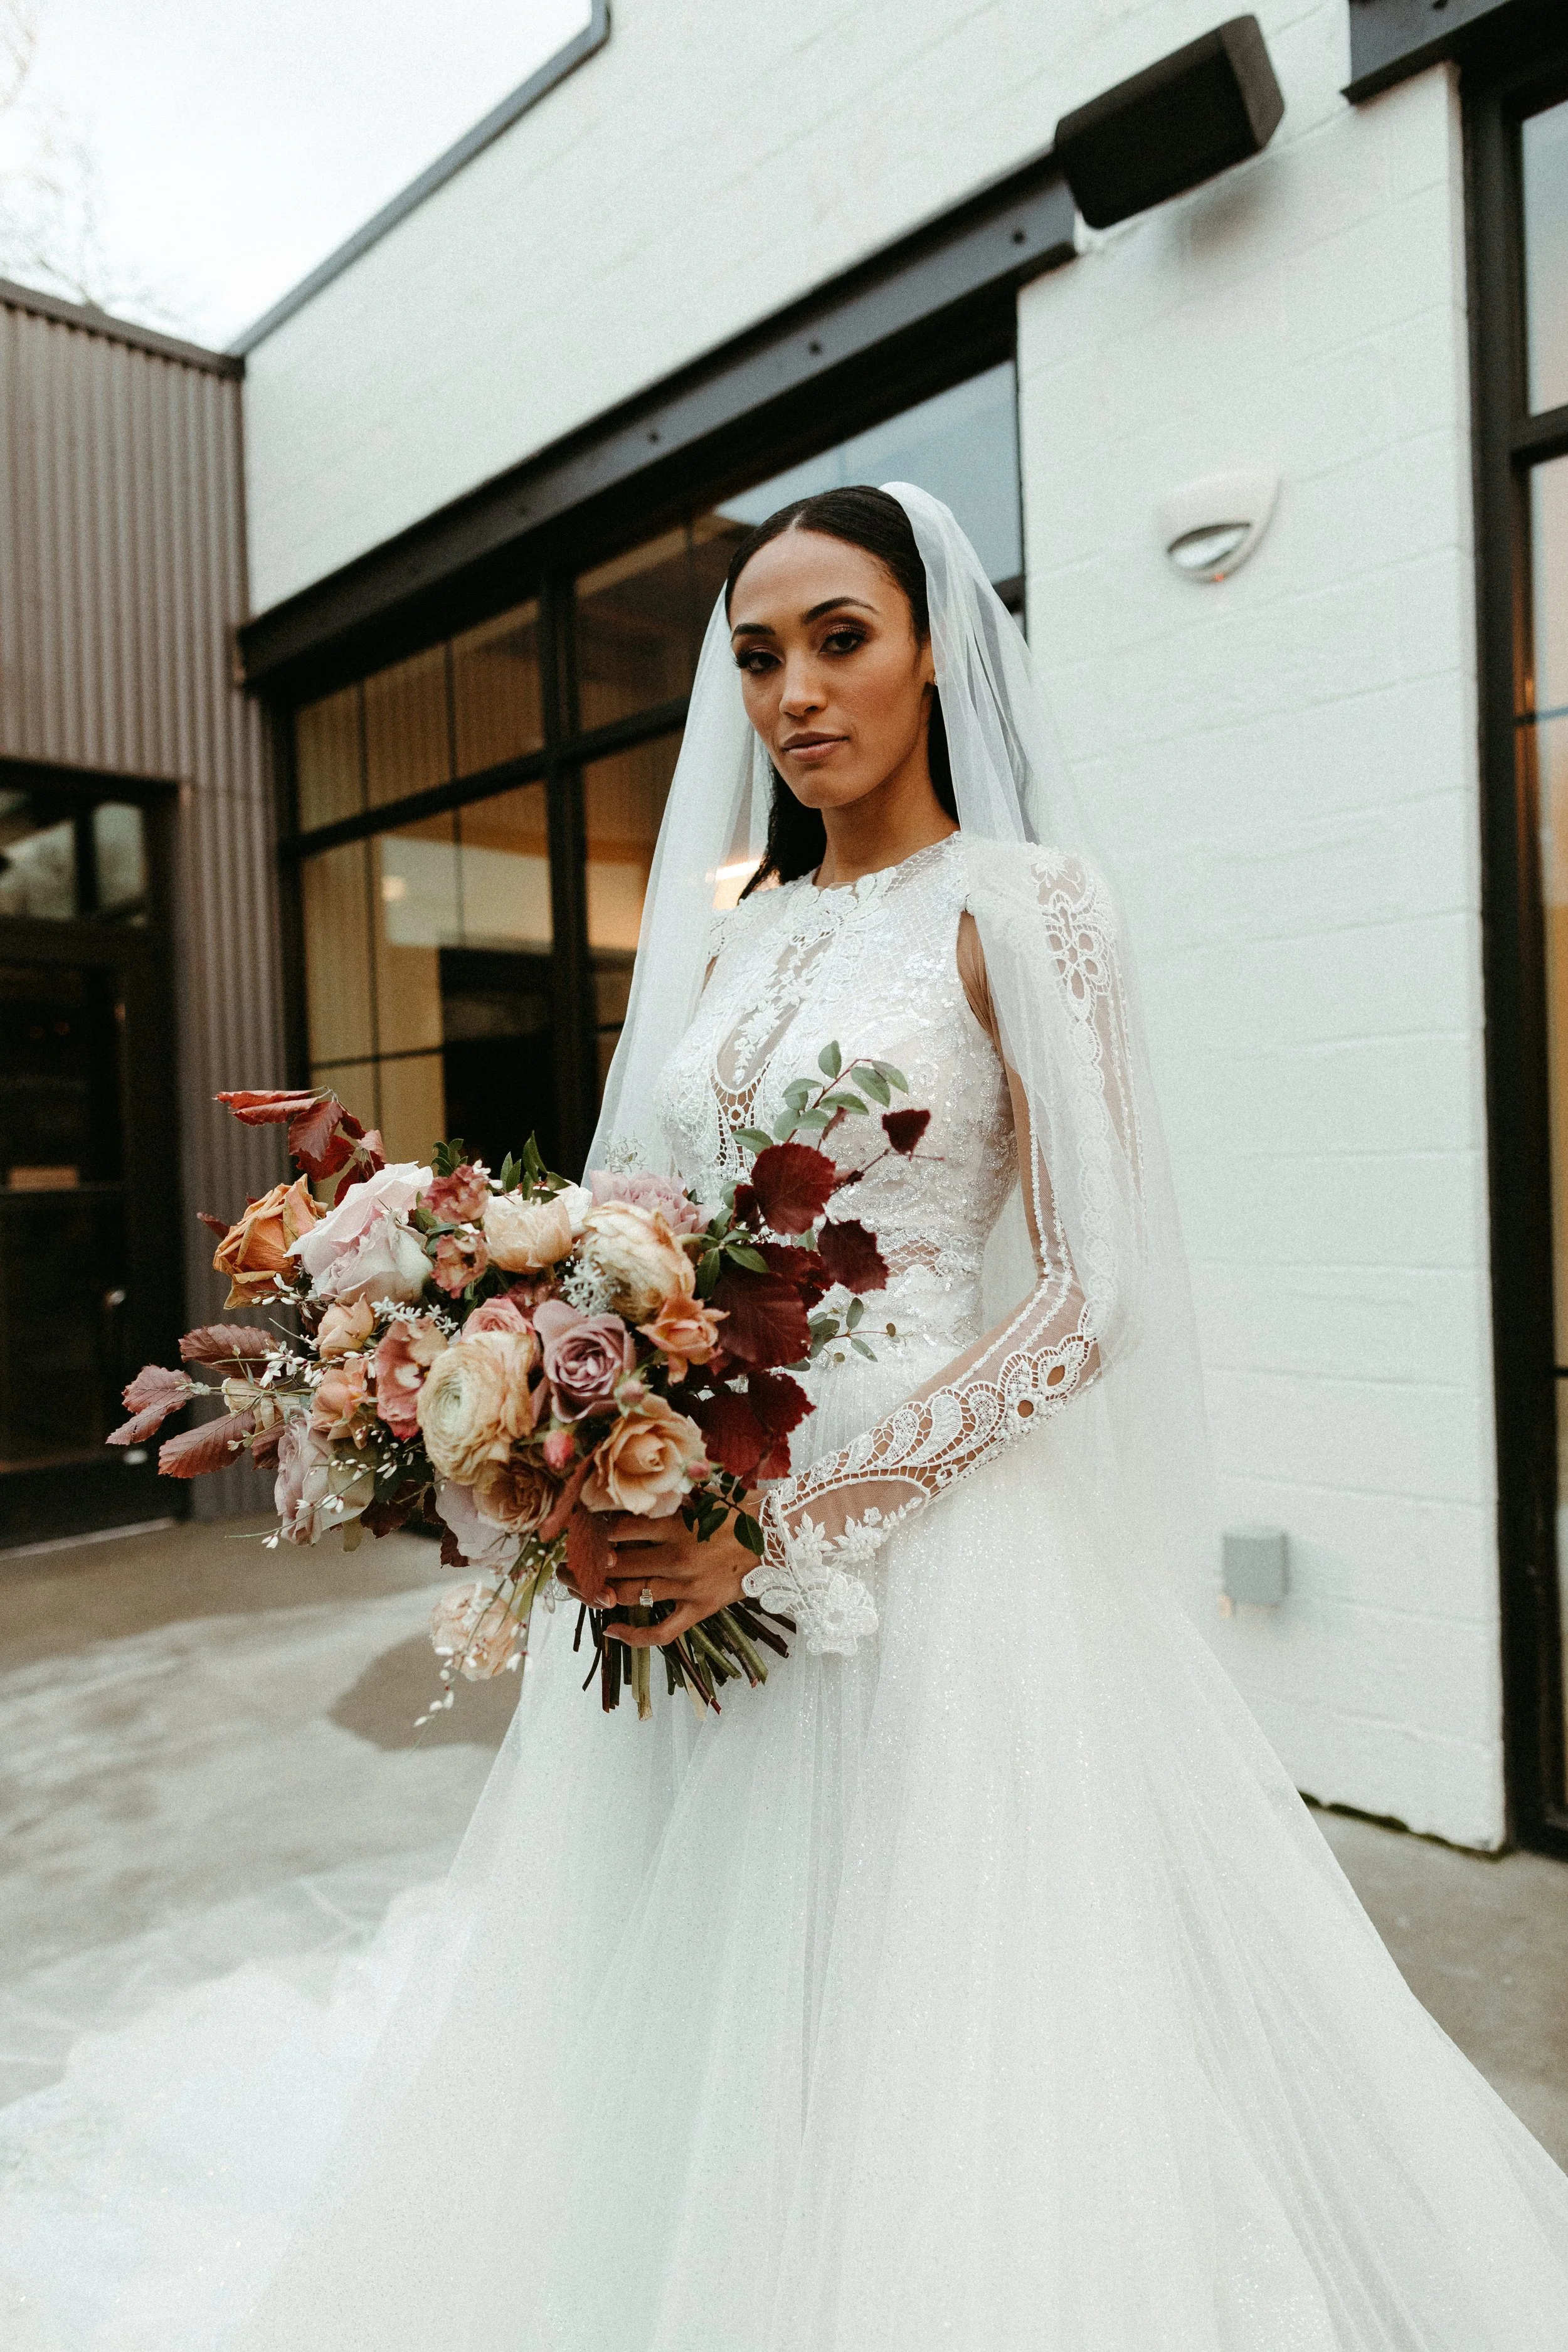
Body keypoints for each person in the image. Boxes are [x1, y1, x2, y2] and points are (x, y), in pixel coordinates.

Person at [6, 486, 1568, 2351]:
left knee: (937, 1992)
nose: (796, 691)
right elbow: (639, 1235)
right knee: (698, 1967)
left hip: (936, 1539)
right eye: (758, 654)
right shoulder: (739, 933)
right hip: (681, 1499)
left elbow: (1094, 1287)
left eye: (841, 638)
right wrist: (543, 1417)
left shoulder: (1025, 903)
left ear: (934, 648)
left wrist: (808, 1511)